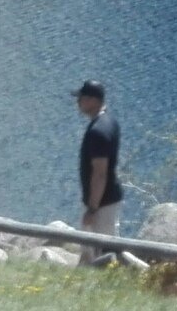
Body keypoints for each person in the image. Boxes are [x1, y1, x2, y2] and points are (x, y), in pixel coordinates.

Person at [74, 79, 123, 262]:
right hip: (107, 199)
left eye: (82, 98)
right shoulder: (109, 122)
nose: (78, 102)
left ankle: (105, 285)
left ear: (93, 101)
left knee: (101, 252)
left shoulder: (98, 132)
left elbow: (100, 174)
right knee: (96, 249)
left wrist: (92, 209)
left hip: (102, 203)